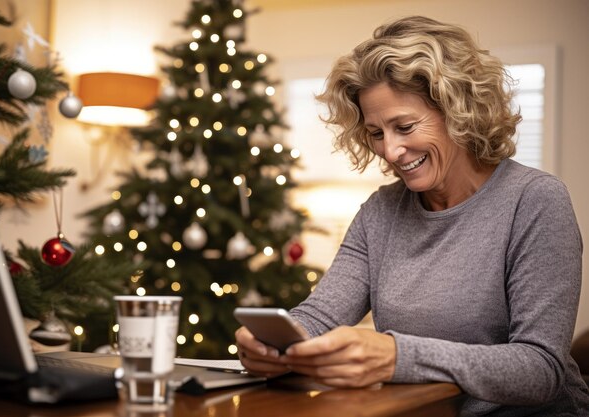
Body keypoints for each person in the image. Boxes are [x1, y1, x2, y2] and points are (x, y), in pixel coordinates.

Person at [235, 15, 589, 416]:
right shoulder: (381, 211)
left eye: (404, 126)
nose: (390, 151)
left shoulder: (535, 200)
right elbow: (320, 314)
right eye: (376, 133)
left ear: (459, 110)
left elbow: (539, 369)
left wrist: (397, 355)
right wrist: (272, 342)